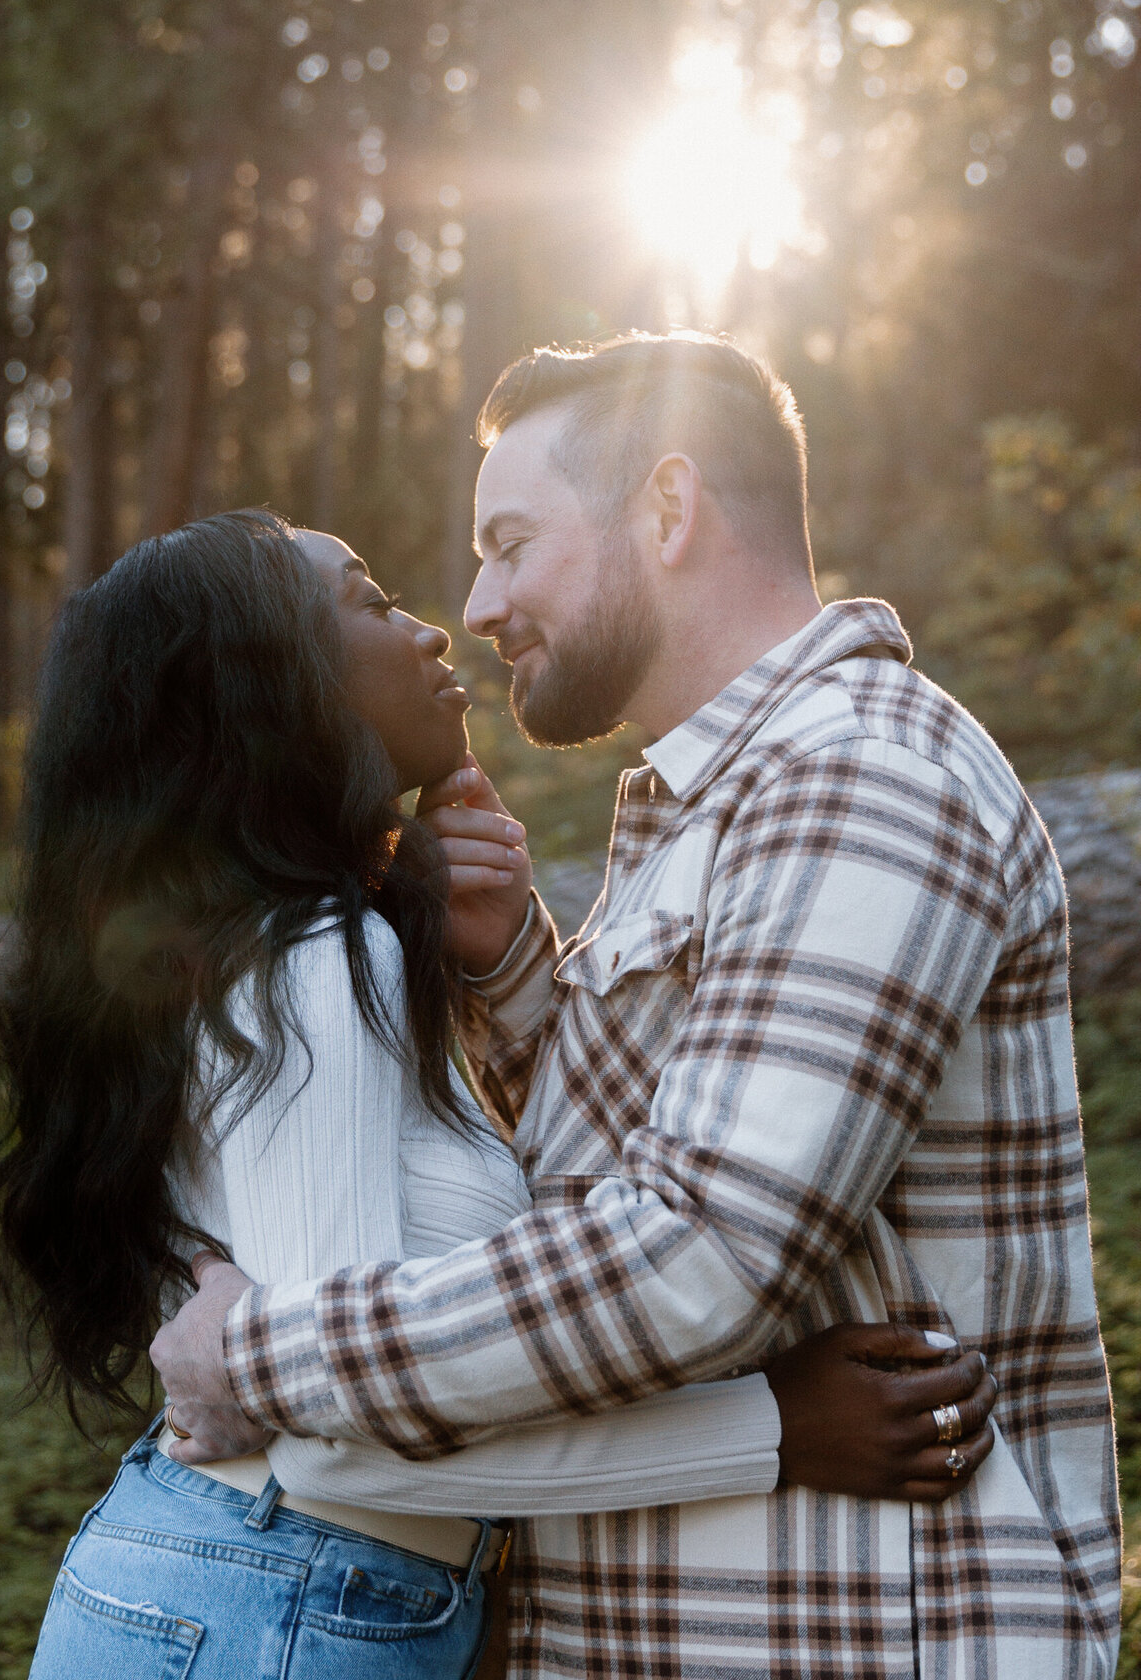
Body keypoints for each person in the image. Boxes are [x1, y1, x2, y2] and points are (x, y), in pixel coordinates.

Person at [154, 336, 1122, 1680]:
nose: (479, 603)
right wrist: (514, 981)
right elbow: (653, 1154)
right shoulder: (723, 805)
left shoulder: (858, 779)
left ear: (666, 510)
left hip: (859, 1628)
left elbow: (699, 1252)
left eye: (511, 541)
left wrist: (255, 1352)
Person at [0, 508, 993, 1680]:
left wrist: (502, 963)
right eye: (370, 601)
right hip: (271, 1609)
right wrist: (771, 1430)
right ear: (277, 694)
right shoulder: (313, 960)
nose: (437, 629)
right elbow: (337, 1454)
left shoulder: (308, 951)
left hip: (285, 1600)